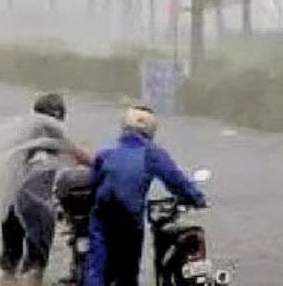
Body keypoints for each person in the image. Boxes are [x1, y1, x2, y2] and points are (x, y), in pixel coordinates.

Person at [85, 105, 206, 286]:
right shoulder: (151, 153)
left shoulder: (106, 151)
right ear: (151, 129)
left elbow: (93, 182)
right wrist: (197, 198)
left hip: (103, 212)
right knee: (128, 267)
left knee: (96, 264)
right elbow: (176, 180)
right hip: (129, 215)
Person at [0, 92, 93, 279]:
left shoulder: (23, 135)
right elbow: (84, 158)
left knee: (9, 259)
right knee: (36, 262)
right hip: (36, 205)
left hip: (11, 203)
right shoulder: (54, 137)